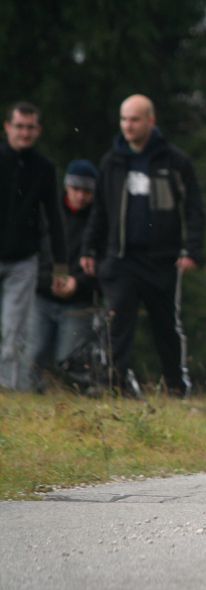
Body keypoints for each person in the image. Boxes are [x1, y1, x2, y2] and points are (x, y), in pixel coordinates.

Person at [80, 94, 204, 397]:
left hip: (162, 260)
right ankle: (114, 385)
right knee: (117, 323)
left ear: (151, 120)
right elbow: (100, 211)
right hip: (121, 258)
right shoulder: (112, 162)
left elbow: (194, 209)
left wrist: (192, 250)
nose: (128, 126)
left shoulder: (175, 162)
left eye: (135, 119)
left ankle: (175, 386)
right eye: (124, 119)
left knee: (165, 327)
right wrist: (88, 249)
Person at [0, 102, 67, 391]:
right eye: (19, 126)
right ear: (7, 127)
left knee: (14, 332)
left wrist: (60, 265)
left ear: (38, 131)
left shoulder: (44, 169)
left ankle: (6, 392)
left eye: (30, 128)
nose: (24, 133)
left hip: (23, 261)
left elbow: (54, 216)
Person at [25, 160, 101, 391]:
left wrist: (77, 282)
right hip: (42, 295)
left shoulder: (99, 222)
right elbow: (31, 253)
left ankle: (87, 393)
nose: (80, 196)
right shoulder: (46, 214)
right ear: (67, 187)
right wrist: (50, 280)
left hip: (78, 301)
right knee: (32, 354)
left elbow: (102, 264)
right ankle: (28, 398)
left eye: (87, 191)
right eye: (76, 189)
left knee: (70, 359)